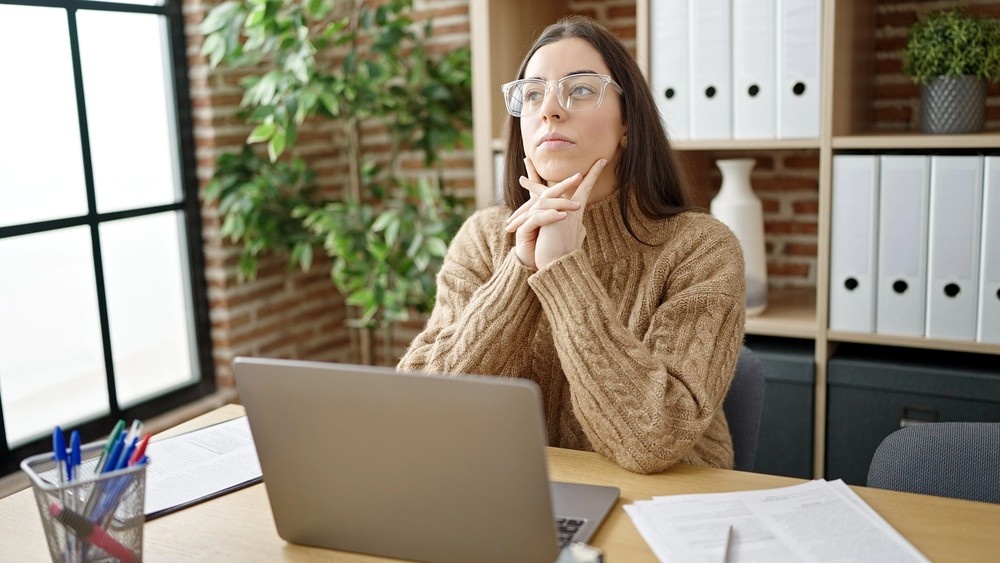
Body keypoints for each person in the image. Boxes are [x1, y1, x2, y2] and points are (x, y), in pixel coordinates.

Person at [398, 15, 745, 474]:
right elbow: (419, 410)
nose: (550, 110)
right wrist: (519, 268)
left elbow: (653, 438)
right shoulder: (484, 240)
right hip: (515, 498)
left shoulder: (701, 250)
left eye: (580, 89)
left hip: (665, 510)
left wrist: (562, 270)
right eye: (534, 93)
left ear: (628, 125)